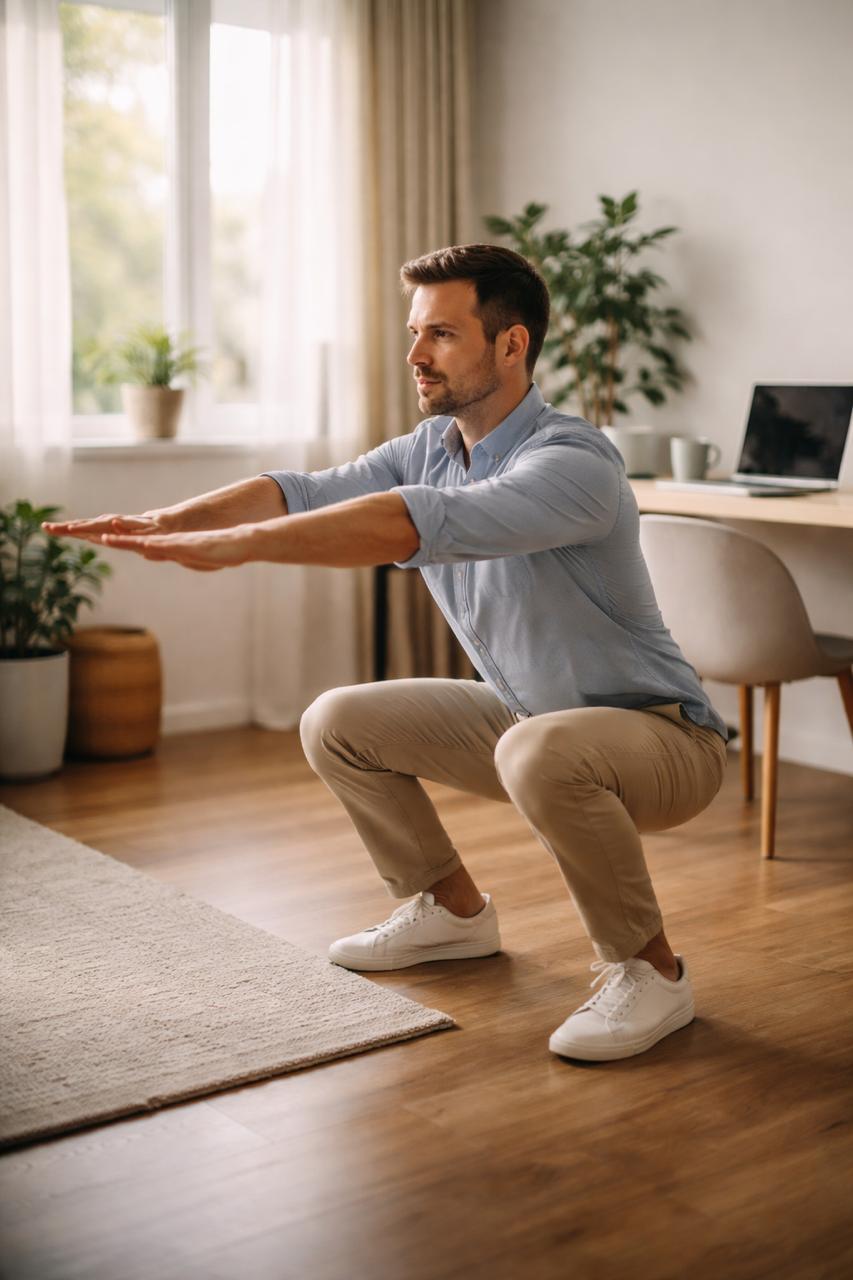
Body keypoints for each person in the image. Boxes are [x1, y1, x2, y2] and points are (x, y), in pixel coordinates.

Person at [46, 243, 729, 1063]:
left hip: (664, 738)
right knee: (338, 720)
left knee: (539, 750)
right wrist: (172, 521)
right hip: (531, 719)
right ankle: (451, 913)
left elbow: (411, 523)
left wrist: (239, 547)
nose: (414, 355)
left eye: (441, 333)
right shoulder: (431, 446)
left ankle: (651, 973)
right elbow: (302, 491)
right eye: (414, 333)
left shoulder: (573, 462)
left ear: (510, 345)